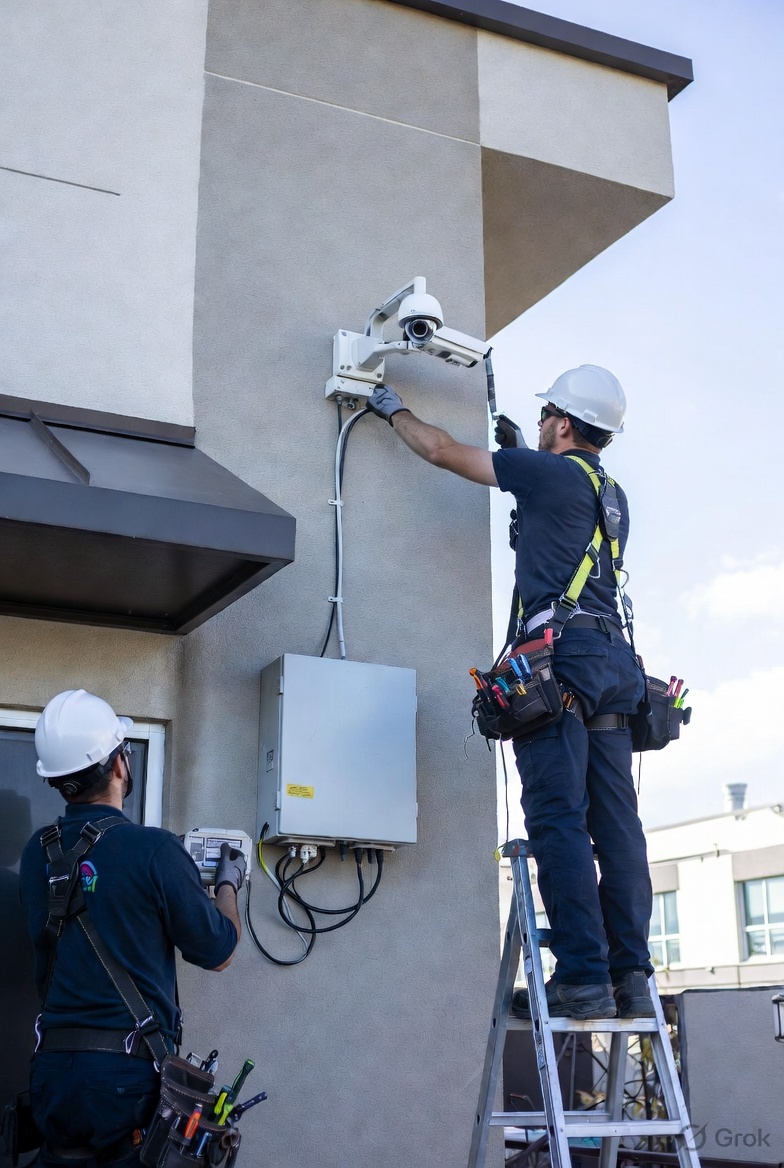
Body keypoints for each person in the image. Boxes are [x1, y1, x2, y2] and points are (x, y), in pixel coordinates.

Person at [367, 366, 655, 1020]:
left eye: (548, 413)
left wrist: (391, 409)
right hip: (612, 661)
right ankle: (630, 975)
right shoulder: (611, 493)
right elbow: (555, 537)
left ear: (563, 421)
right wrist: (525, 447)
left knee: (559, 818)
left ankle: (582, 978)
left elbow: (441, 450)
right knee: (615, 825)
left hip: (565, 661)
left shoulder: (545, 471)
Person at [19, 689, 246, 1167]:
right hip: (124, 1077)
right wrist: (228, 883)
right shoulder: (155, 851)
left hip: (53, 1072)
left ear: (58, 780)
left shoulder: (36, 851)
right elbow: (219, 950)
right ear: (121, 764)